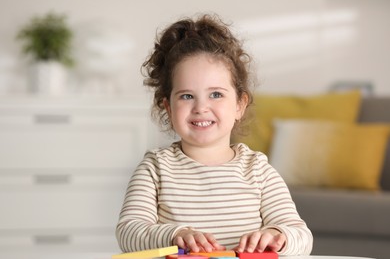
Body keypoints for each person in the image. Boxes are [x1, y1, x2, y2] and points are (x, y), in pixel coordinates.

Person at [116, 14, 313, 256]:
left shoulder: (258, 170)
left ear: (239, 105)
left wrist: (277, 236)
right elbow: (128, 232)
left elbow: (302, 237)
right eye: (187, 96)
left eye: (216, 94)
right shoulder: (154, 168)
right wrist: (174, 235)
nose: (201, 107)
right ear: (168, 107)